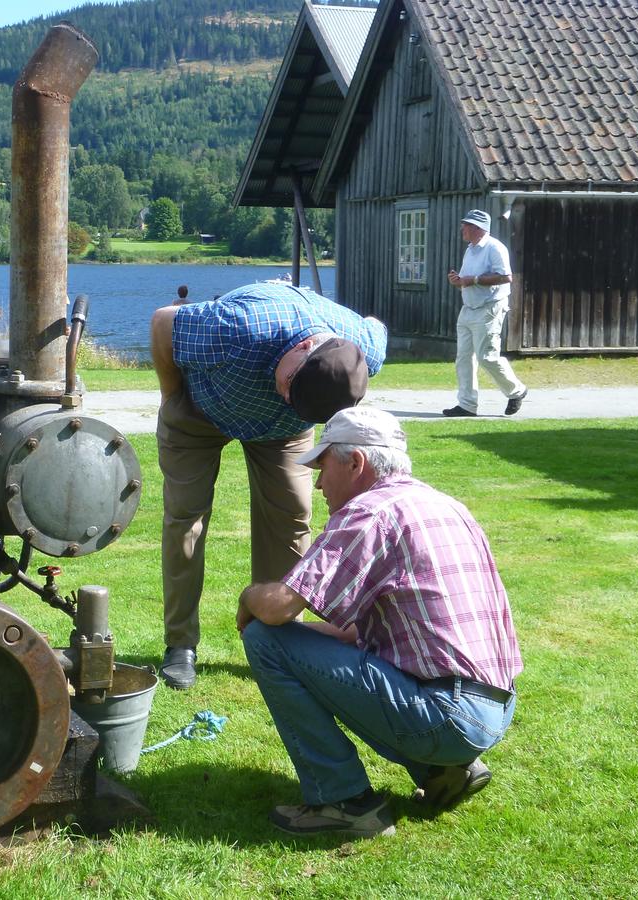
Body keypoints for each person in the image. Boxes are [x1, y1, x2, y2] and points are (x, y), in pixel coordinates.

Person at [238, 407, 522, 838]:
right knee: (282, 642)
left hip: (447, 715)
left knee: (263, 636)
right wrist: (299, 647)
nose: (319, 483)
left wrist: (248, 596)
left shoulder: (370, 512)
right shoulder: (446, 505)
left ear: (356, 462)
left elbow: (278, 608)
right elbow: (371, 633)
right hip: (496, 708)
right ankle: (444, 769)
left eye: (323, 466)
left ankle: (344, 802)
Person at [150, 281, 388, 690]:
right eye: (289, 384)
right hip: (198, 409)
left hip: (283, 432)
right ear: (302, 346)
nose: (284, 394)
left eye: (295, 396)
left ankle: (278, 640)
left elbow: (376, 325)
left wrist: (300, 408)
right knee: (186, 517)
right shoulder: (238, 328)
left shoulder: (364, 346)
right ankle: (181, 644)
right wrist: (172, 398)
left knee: (292, 516)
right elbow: (163, 322)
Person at [444, 209, 528, 417]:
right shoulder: (470, 249)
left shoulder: (495, 248)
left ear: (478, 228)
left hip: (489, 308)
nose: (462, 228)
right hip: (468, 308)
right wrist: (458, 281)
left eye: (466, 225)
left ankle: (517, 391)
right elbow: (468, 279)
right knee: (464, 358)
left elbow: (506, 277)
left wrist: (473, 280)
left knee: (487, 357)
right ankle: (467, 405)